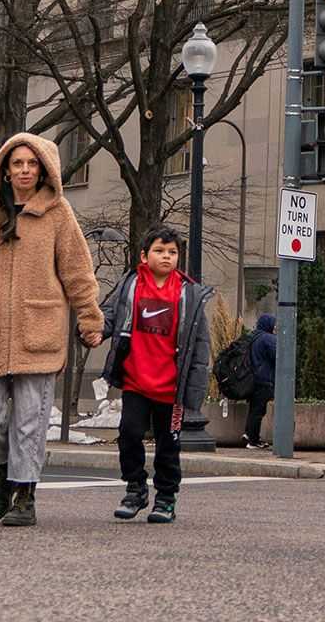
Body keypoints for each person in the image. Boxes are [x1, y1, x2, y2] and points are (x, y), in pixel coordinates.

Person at [0, 132, 103, 529]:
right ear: (5, 171)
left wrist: (89, 318)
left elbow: (78, 273)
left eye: (32, 164)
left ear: (44, 169)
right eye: (18, 164)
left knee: (30, 419)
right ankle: (1, 471)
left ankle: (24, 493)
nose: (25, 170)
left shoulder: (59, 213)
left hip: (40, 333)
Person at [103, 224, 213, 523]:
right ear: (144, 255)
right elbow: (110, 318)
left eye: (173, 252)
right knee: (129, 434)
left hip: (171, 389)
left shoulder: (188, 294)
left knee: (169, 444)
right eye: (159, 251)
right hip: (136, 381)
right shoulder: (131, 285)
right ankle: (135, 488)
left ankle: (166, 498)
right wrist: (89, 329)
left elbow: (201, 345)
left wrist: (195, 389)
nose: (166, 257)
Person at [244, 311, 278, 449]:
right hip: (264, 379)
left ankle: (248, 433)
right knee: (259, 410)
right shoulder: (268, 339)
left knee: (254, 409)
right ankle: (253, 440)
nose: (275, 327)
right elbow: (278, 357)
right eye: (273, 324)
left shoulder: (253, 337)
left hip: (251, 379)